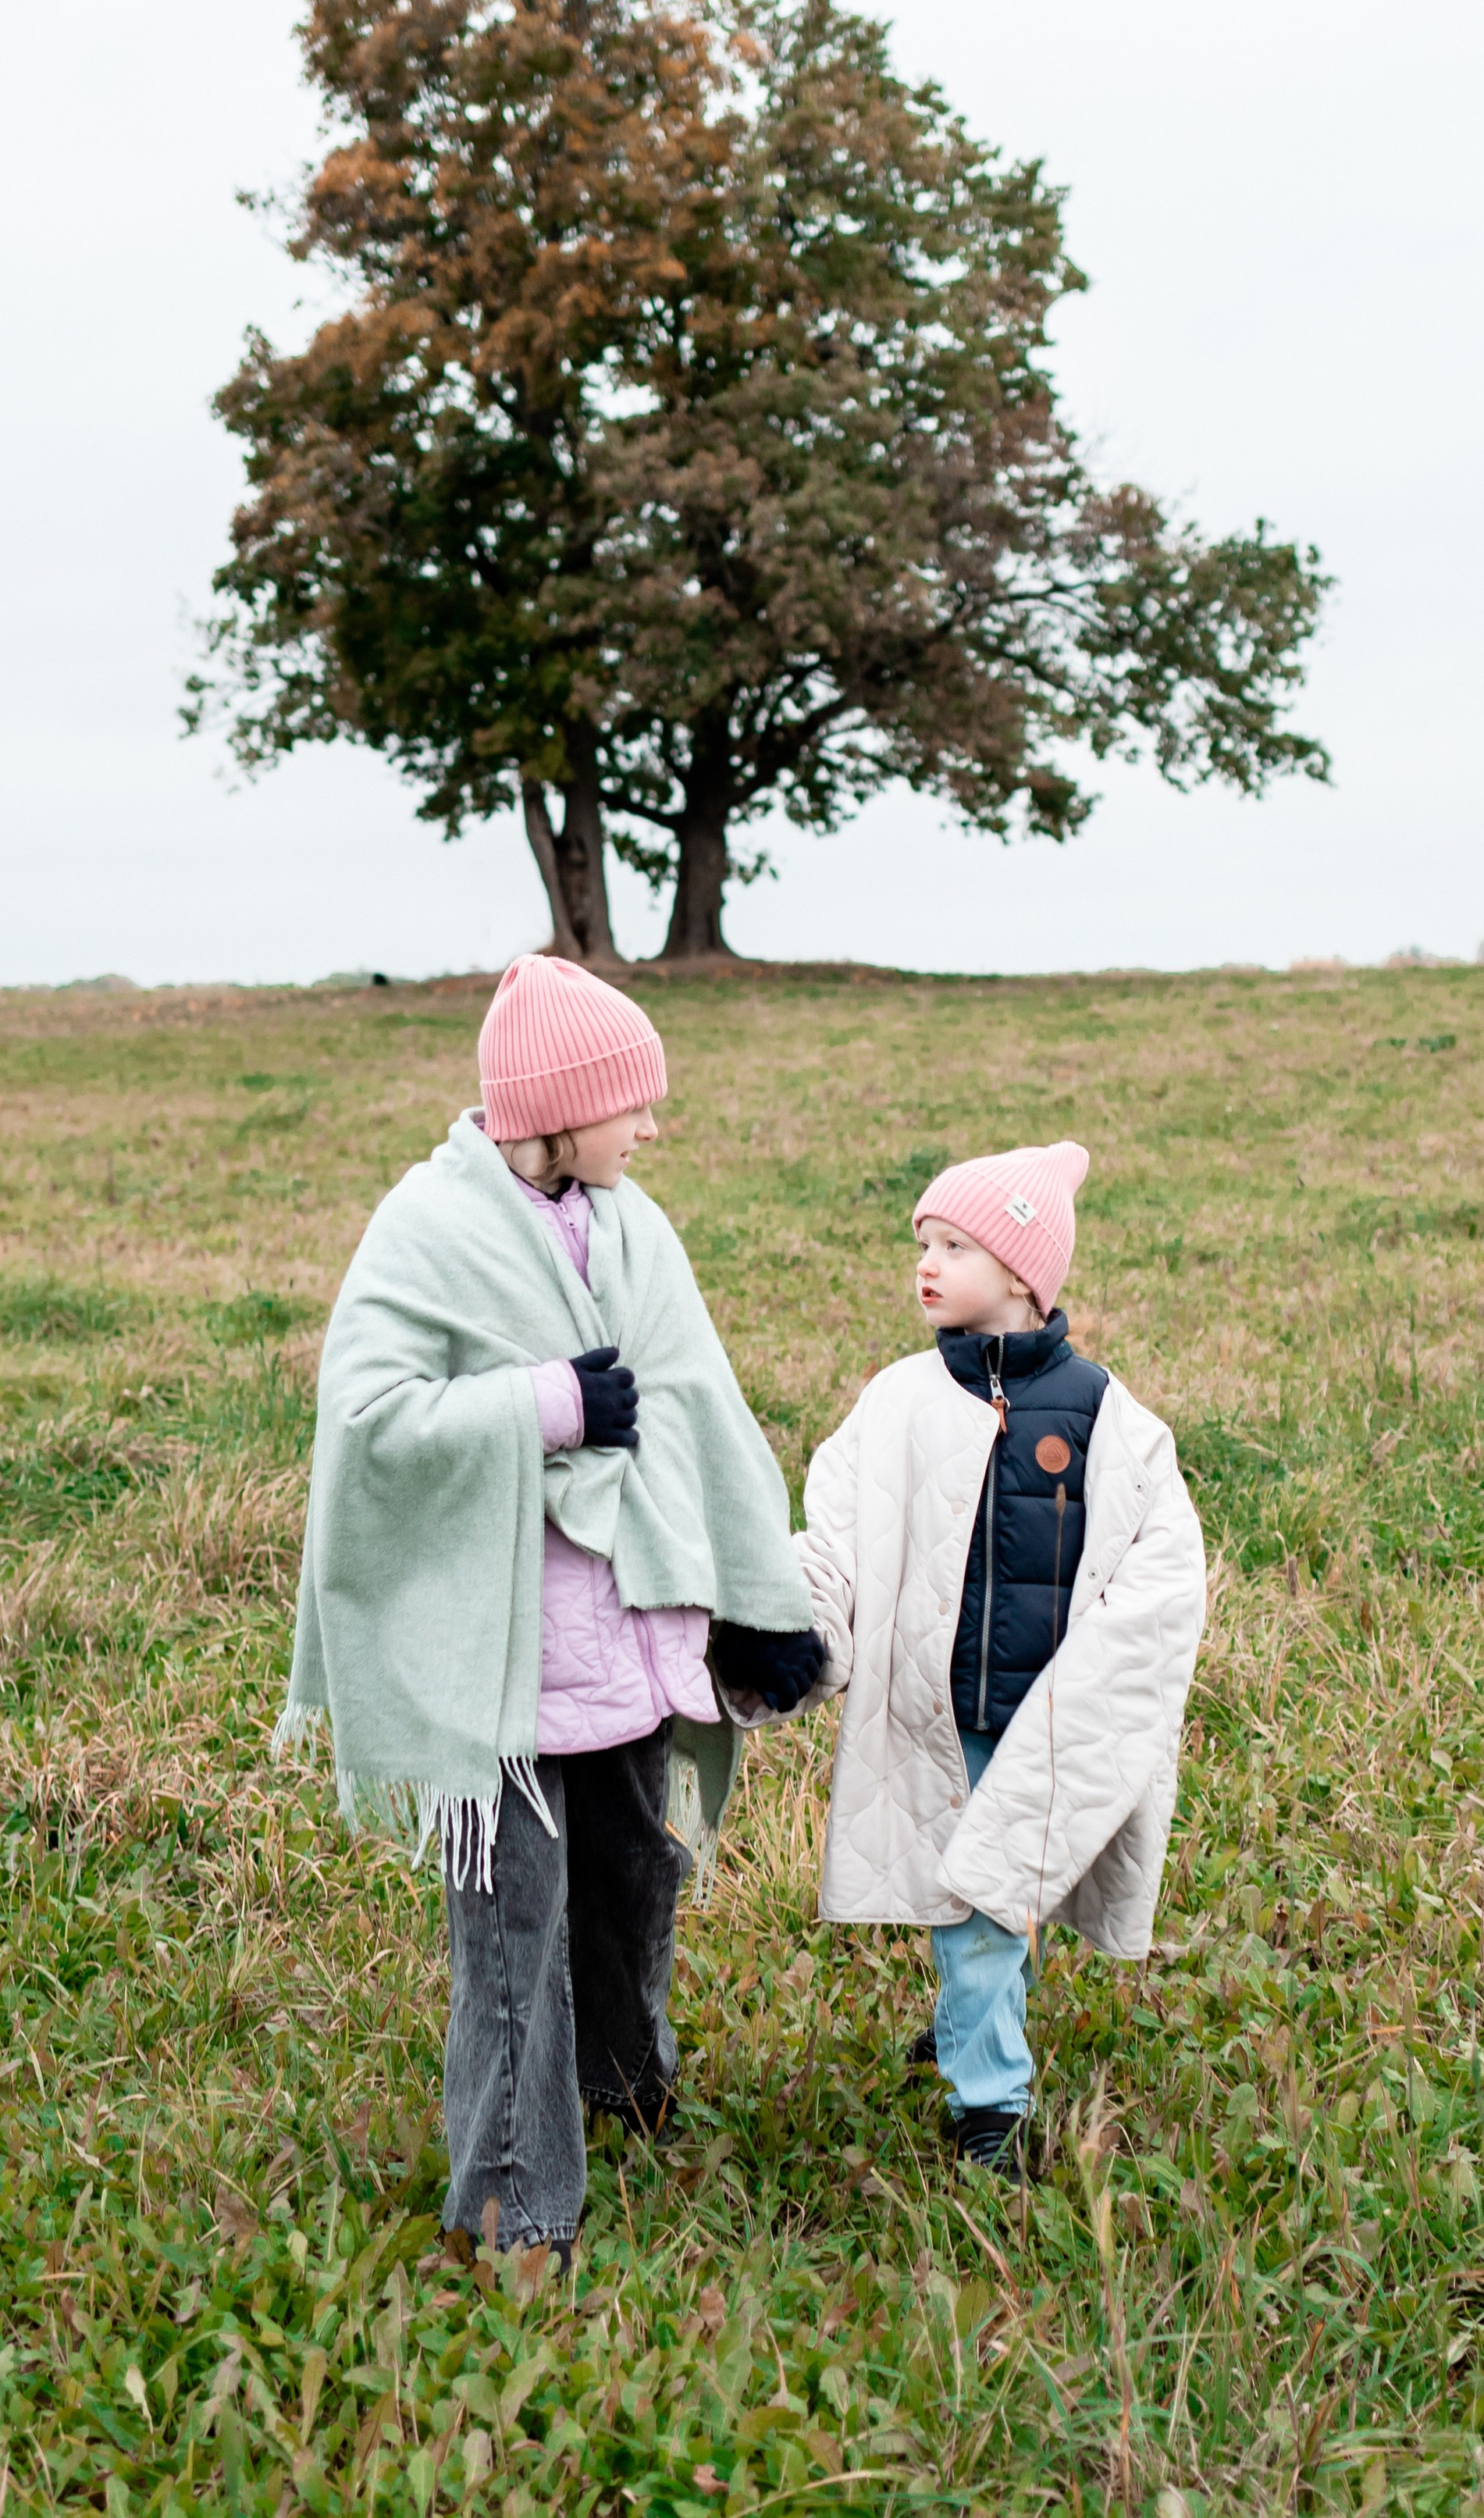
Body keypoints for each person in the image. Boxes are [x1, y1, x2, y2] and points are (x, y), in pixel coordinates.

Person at [276, 953, 823, 2261]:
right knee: (513, 1934)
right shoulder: (427, 1228)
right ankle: (516, 2206)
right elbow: (365, 1421)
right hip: (499, 1672)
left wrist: (759, 1602)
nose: (652, 1125)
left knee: (640, 1876)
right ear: (554, 1107)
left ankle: (628, 2092)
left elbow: (703, 1402)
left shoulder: (635, 1221)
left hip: (629, 1644)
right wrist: (546, 1407)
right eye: (633, 1102)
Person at [788, 1142, 1206, 2171]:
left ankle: (985, 2057)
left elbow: (1161, 1562)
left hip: (1043, 1712)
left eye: (956, 1246)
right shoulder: (898, 1401)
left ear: (1023, 1275)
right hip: (943, 1712)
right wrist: (804, 1622)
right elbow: (836, 1524)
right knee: (973, 1900)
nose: (925, 1264)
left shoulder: (1108, 1417)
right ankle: (991, 2086)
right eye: (922, 1243)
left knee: (999, 1886)